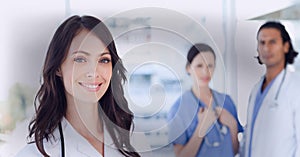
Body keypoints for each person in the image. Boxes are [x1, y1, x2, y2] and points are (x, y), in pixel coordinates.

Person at [15, 15, 148, 157]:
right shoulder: (36, 153)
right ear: (58, 68)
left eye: (103, 60)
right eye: (80, 59)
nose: (93, 72)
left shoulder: (133, 140)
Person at [167, 43, 243, 157]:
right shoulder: (178, 109)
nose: (205, 71)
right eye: (199, 66)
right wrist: (201, 128)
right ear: (188, 68)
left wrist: (233, 125)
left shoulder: (226, 101)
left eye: (210, 65)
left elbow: (235, 150)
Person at [243, 21, 300, 157]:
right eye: (262, 43)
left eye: (272, 42)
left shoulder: (296, 85)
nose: (266, 48)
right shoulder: (256, 89)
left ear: (286, 47)